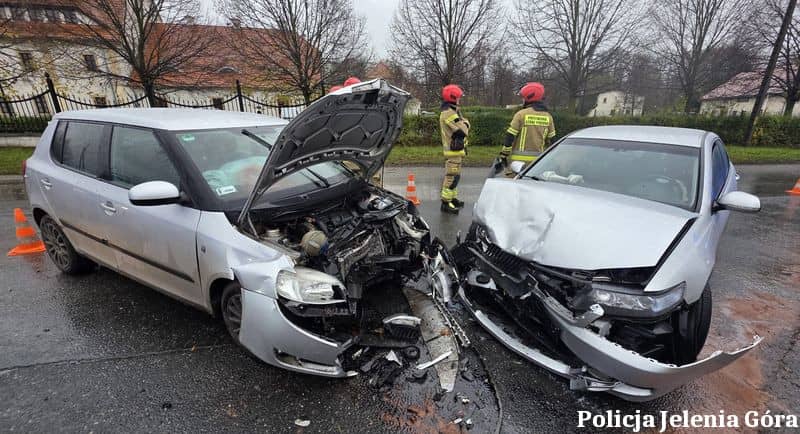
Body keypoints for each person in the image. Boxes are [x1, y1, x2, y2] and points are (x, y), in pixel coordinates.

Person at [498, 82, 556, 178]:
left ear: (529, 97)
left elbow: (510, 136)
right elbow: (553, 141)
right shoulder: (548, 117)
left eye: (523, 98)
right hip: (537, 164)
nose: (522, 100)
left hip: (518, 164)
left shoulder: (521, 114)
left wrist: (504, 155)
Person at [439, 84, 469, 214]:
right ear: (453, 98)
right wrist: (466, 123)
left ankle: (452, 199)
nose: (460, 100)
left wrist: (462, 119)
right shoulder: (449, 113)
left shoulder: (452, 112)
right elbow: (464, 129)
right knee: (451, 177)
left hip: (456, 151)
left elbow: (461, 125)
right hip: (452, 152)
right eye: (458, 98)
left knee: (456, 176)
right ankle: (446, 203)